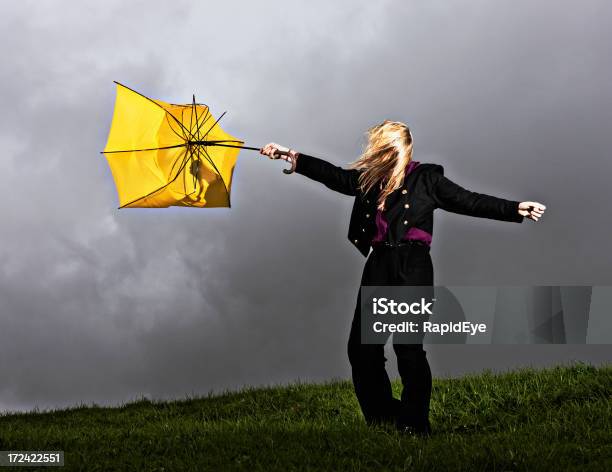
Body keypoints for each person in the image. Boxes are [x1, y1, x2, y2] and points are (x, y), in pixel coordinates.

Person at [259, 120, 546, 435]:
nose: (377, 152)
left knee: (408, 348)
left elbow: (469, 200)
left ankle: (414, 424)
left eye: (383, 146)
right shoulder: (371, 180)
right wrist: (290, 156)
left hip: (413, 266)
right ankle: (383, 416)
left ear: (397, 147)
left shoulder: (427, 179)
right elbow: (336, 176)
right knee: (362, 349)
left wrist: (515, 208)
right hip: (379, 265)